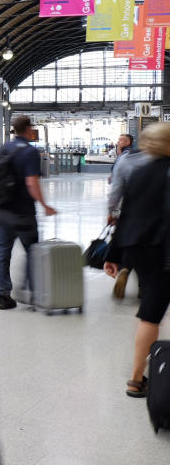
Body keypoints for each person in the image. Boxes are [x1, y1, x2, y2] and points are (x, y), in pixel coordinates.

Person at [103, 121, 170, 398]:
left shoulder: (139, 172)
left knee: (149, 316)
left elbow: (126, 214)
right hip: (164, 252)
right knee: (151, 314)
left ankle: (135, 379)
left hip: (141, 251)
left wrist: (114, 255)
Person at [0, 115, 56, 311]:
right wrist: (45, 205)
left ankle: (2, 295)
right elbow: (31, 182)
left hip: (2, 210)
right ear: (28, 129)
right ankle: (30, 291)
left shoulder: (3, 149)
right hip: (23, 213)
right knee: (33, 252)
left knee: (2, 253)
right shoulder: (29, 152)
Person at [107, 133, 152, 299]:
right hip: (154, 215)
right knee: (148, 250)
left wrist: (111, 212)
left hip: (128, 210)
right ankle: (143, 286)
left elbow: (115, 190)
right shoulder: (159, 161)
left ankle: (125, 268)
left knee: (130, 243)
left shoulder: (125, 160)